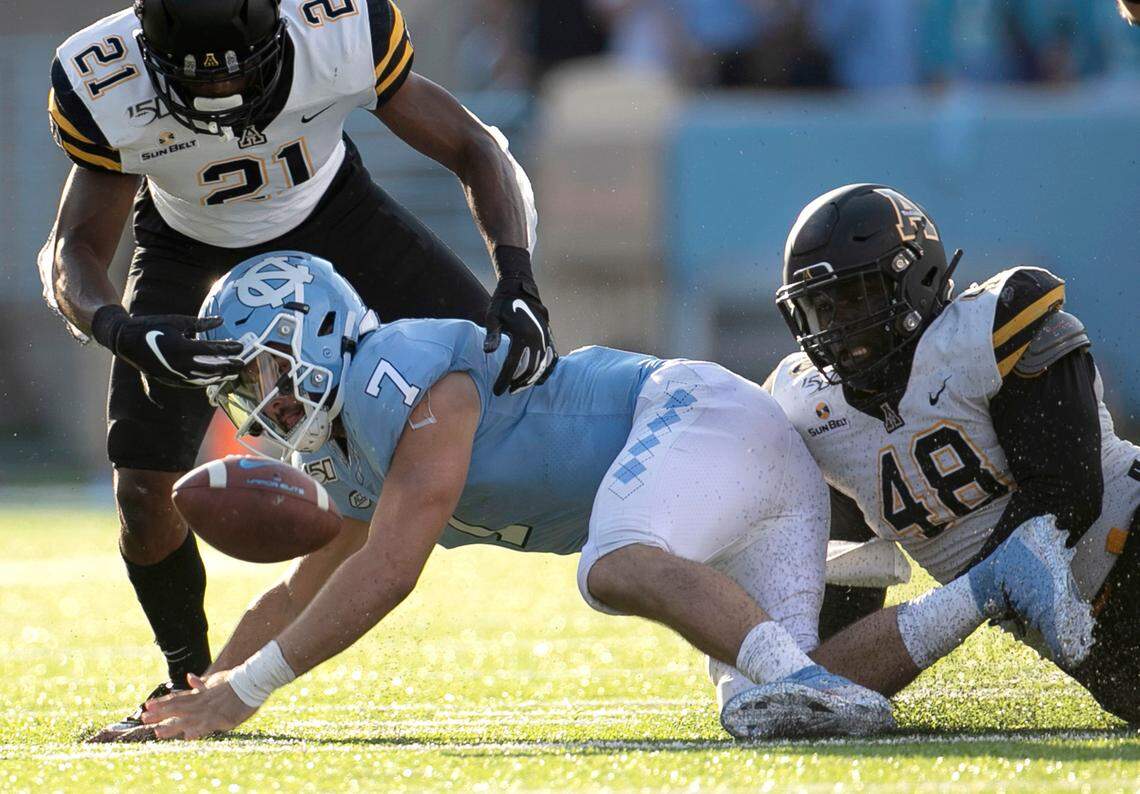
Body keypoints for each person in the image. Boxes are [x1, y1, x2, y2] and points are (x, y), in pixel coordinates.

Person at [41, 0, 557, 742]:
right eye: (195, 84)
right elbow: (73, 249)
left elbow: (474, 146)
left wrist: (517, 278)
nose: (220, 100)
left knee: (507, 375)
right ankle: (186, 679)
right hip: (187, 240)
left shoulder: (338, 27)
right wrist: (122, 328)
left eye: (238, 78)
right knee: (145, 492)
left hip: (333, 210)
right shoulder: (102, 73)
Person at [139, 250, 895, 741]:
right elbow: (303, 590)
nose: (252, 398)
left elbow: (389, 570)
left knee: (614, 566)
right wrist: (202, 696)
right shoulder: (349, 444)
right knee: (788, 712)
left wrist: (248, 691)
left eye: (258, 371)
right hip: (714, 473)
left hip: (702, 418)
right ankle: (986, 589)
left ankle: (802, 674)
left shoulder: (393, 372)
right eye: (236, 385)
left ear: (315, 334)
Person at [764, 183, 1140, 724]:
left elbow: (1067, 494)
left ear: (912, 277)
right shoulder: (808, 411)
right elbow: (850, 573)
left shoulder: (985, 332)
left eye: (856, 298)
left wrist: (961, 601)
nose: (839, 329)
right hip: (1090, 635)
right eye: (820, 310)